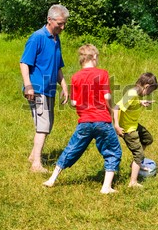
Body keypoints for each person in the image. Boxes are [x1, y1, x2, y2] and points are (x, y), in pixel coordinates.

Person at [43, 44, 122, 194]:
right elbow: (107, 96)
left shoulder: (76, 77)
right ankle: (106, 187)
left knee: (72, 149)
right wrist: (111, 109)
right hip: (102, 120)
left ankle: (52, 179)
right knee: (113, 151)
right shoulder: (102, 73)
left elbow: (74, 102)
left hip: (85, 121)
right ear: (94, 57)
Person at [20, 4, 69, 173]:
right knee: (43, 125)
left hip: (49, 88)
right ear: (49, 20)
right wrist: (28, 86)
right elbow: (24, 63)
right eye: (60, 23)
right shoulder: (37, 37)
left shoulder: (56, 39)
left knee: (48, 125)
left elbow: (58, 66)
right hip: (37, 88)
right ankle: (36, 165)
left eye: (64, 24)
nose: (62, 27)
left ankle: (33, 156)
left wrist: (64, 85)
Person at [113, 73, 158, 188]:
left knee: (147, 139)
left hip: (134, 125)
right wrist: (117, 126)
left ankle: (135, 163)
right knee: (138, 154)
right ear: (146, 86)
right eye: (150, 91)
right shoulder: (132, 93)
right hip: (128, 129)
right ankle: (132, 182)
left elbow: (130, 103)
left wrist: (140, 102)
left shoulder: (137, 94)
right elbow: (116, 108)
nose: (149, 94)